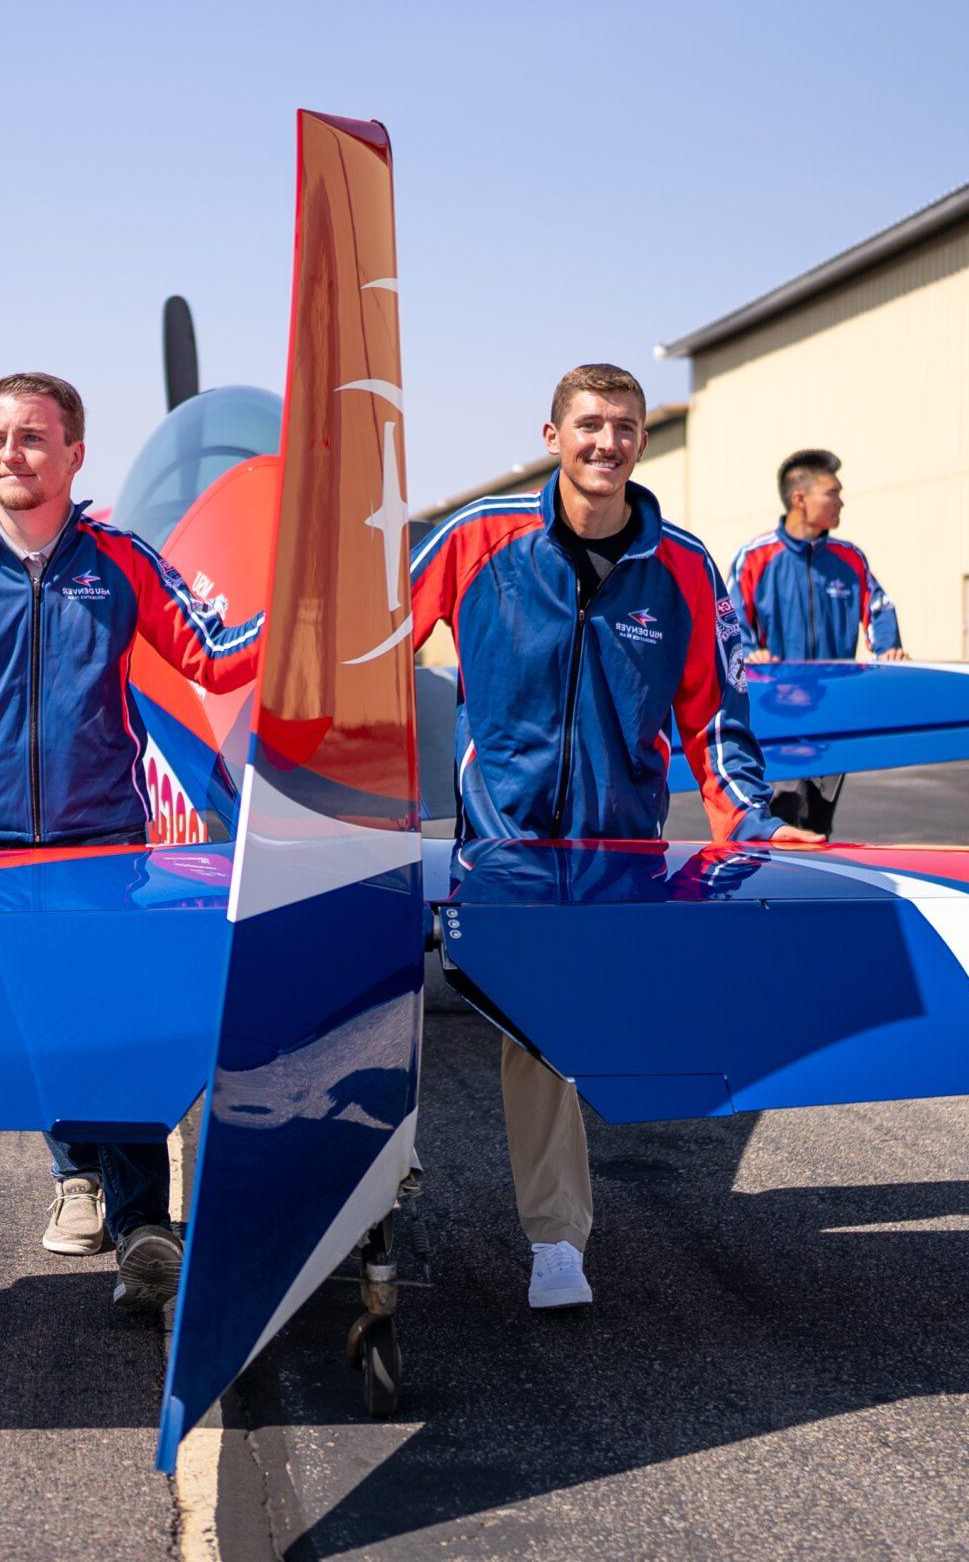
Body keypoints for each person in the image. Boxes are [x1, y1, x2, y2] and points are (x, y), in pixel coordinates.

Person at [0, 372, 262, 1312]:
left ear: (74, 454)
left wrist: (306, 618)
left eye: (32, 438)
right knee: (41, 1023)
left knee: (120, 1022)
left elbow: (215, 654)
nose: (12, 455)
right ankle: (78, 1176)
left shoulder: (120, 561)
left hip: (106, 839)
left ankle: (146, 1224)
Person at [410, 364, 819, 1311]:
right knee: (526, 1026)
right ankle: (551, 1238)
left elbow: (716, 717)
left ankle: (553, 1232)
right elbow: (370, 642)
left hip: (622, 844)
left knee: (584, 1024)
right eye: (588, 425)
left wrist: (752, 824)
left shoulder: (681, 564)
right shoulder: (480, 539)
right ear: (552, 435)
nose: (607, 442)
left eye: (625, 427)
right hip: (501, 839)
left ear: (642, 442)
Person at [729, 449, 909, 833]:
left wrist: (886, 649)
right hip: (776, 717)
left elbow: (879, 608)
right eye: (833, 492)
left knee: (819, 825)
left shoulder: (850, 558)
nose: (841, 500)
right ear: (800, 499)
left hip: (834, 715)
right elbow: (729, 624)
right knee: (780, 826)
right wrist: (750, 653)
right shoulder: (755, 558)